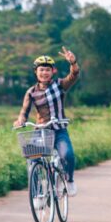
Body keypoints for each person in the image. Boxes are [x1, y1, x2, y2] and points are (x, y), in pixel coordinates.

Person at [13, 48, 80, 196]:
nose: (44, 73)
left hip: (59, 129)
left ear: (53, 71)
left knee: (67, 154)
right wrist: (20, 121)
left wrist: (73, 62)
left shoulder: (59, 85)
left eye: (47, 70)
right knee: (34, 160)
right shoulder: (31, 92)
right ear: (36, 72)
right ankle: (38, 194)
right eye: (41, 70)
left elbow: (74, 75)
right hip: (41, 130)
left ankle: (69, 180)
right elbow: (24, 111)